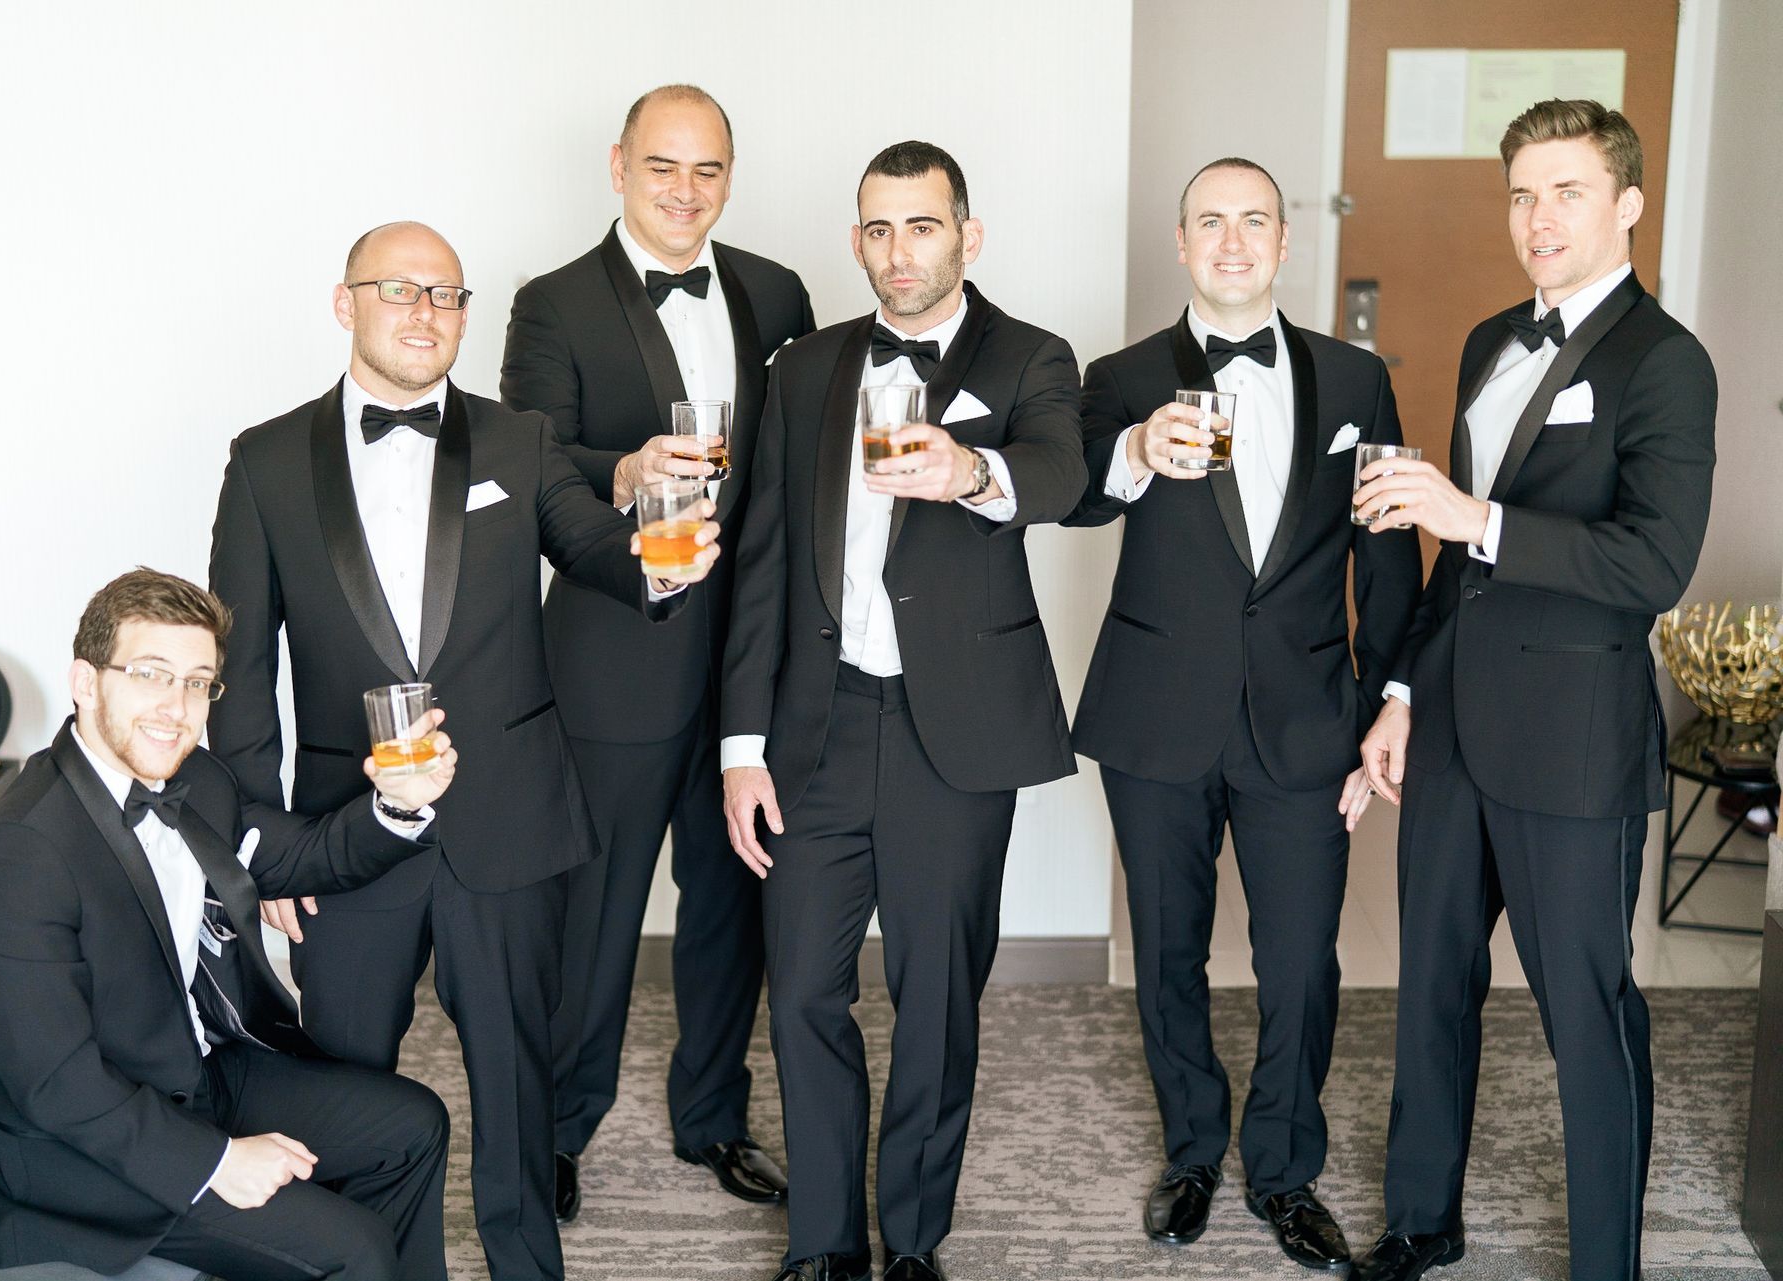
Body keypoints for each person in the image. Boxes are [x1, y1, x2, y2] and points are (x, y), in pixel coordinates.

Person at [208, 221, 719, 1280]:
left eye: (447, 295)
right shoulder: (263, 461)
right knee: (346, 1088)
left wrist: (660, 568)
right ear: (345, 304)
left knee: (516, 1078)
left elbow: (590, 548)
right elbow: (241, 671)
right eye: (401, 291)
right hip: (346, 839)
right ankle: (355, 1265)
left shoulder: (517, 439)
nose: (426, 313)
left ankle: (528, 1264)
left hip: (510, 819)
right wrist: (263, 846)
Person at [1341, 100, 1716, 1281]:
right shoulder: (1490, 339)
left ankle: (1607, 1261)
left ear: (1628, 206)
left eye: (1566, 192)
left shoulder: (1668, 362)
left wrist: (1476, 514)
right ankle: (1420, 1220)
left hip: (1573, 737)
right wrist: (1400, 691)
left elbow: (1652, 565)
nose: (1538, 217)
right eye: (1521, 193)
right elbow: (1457, 565)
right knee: (1432, 991)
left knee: (1585, 1016)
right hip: (1452, 717)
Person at [722, 141, 1086, 1281]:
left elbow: (1065, 477)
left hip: (955, 737)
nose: (899, 251)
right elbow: (764, 564)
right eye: (878, 229)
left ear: (967, 237)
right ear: (856, 241)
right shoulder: (804, 368)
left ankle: (913, 1240)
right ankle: (824, 1243)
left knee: (936, 1002)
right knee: (804, 997)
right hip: (814, 729)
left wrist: (972, 475)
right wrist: (742, 745)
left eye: (921, 227)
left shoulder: (1032, 356)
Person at [1064, 157, 1422, 1269]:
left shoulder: (1355, 383)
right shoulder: (1121, 375)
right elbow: (1069, 493)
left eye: (1252, 221)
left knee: (1304, 959)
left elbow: (1390, 555)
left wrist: (1388, 698)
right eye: (1209, 222)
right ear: (1180, 242)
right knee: (1167, 948)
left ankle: (1284, 1167)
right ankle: (1190, 1149)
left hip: (1309, 719)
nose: (1231, 241)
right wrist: (1130, 451)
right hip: (1157, 713)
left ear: (1283, 242)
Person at [0, 568, 454, 1280]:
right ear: (86, 682)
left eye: (196, 681)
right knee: (356, 1248)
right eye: (150, 673)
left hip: (197, 1073)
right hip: (76, 1154)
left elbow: (304, 856)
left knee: (412, 1127)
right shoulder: (18, 846)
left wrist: (399, 803)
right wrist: (217, 1161)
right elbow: (54, 1084)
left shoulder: (200, 781)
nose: (175, 705)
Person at [501, 83, 813, 1221]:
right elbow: (529, 464)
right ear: (620, 163)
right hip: (613, 660)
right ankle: (560, 1128)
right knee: (594, 919)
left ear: (730, 177)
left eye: (709, 171)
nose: (686, 192)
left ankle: (713, 1120)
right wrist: (623, 475)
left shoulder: (778, 293)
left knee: (735, 905)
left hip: (750, 666)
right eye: (664, 167)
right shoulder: (551, 303)